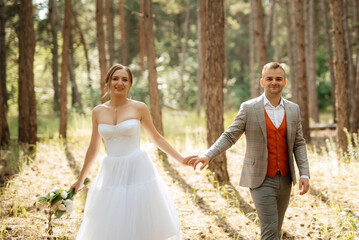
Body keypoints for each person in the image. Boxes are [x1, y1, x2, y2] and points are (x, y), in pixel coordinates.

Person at [72, 64, 196, 240]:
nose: (119, 83)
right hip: (112, 170)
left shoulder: (139, 108)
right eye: (115, 78)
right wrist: (80, 179)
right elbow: (93, 148)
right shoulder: (98, 112)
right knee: (113, 220)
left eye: (125, 79)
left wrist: (181, 158)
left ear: (130, 84)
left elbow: (156, 137)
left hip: (137, 168)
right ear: (108, 82)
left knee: (138, 218)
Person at [190, 62, 310, 239]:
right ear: (262, 82)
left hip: (285, 179)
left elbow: (298, 143)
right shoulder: (249, 108)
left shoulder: (293, 109)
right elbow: (230, 135)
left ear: (285, 82)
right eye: (269, 79)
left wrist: (304, 174)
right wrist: (208, 155)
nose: (274, 82)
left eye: (278, 79)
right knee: (269, 228)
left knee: (276, 228)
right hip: (260, 179)